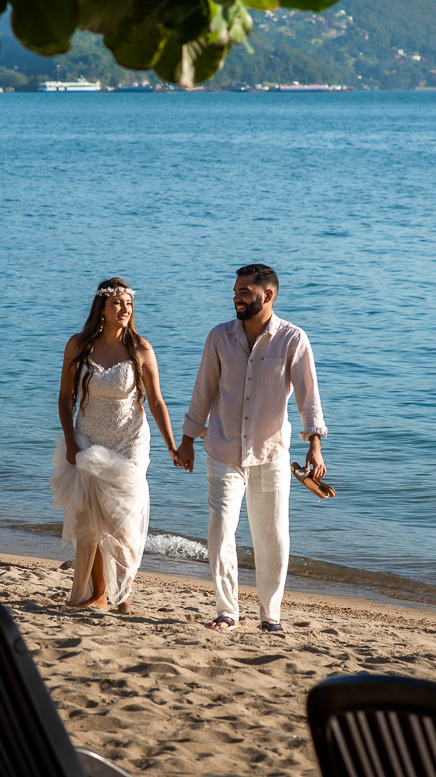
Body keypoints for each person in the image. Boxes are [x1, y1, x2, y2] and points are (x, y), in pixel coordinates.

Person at [177, 264, 327, 632]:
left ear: (268, 295)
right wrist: (187, 440)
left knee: (272, 537)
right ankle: (227, 611)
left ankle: (270, 615)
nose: (237, 297)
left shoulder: (293, 339)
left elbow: (309, 399)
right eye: (236, 291)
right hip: (223, 448)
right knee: (220, 531)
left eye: (245, 291)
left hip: (271, 453)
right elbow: (203, 390)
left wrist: (315, 446)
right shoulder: (219, 336)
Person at [52, 277, 179, 615]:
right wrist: (69, 442)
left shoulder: (141, 348)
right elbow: (65, 399)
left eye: (129, 304)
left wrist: (171, 444)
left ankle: (123, 593)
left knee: (124, 519)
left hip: (129, 442)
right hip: (88, 439)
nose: (125, 309)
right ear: (102, 309)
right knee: (90, 522)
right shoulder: (79, 345)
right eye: (118, 303)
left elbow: (156, 402)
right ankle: (99, 593)